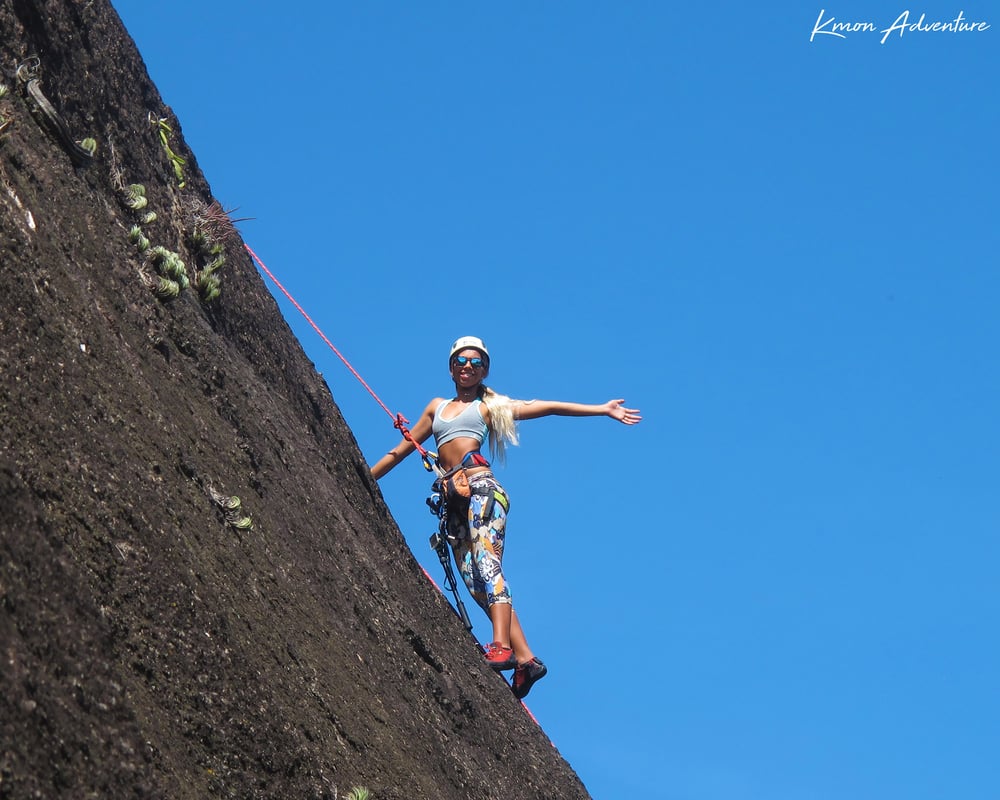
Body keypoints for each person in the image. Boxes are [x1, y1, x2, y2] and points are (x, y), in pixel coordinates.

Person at [370, 336, 640, 699]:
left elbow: (546, 407)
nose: (468, 366)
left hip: (482, 491)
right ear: (451, 367)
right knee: (474, 582)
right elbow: (400, 450)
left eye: (476, 362)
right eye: (462, 361)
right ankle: (527, 660)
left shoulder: (488, 406)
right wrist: (364, 475)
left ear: (485, 371)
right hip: (454, 502)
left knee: (487, 564)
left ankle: (501, 646)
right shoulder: (437, 408)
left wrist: (601, 409)